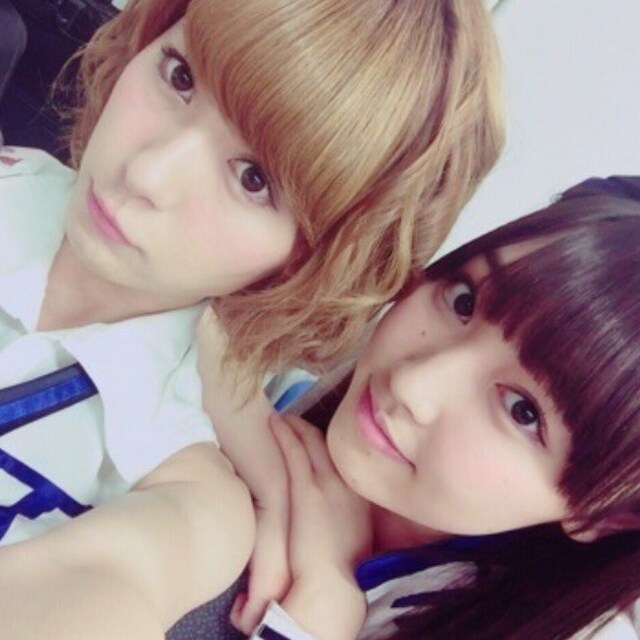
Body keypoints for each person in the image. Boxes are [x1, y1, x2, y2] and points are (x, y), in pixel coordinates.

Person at [0, 0, 503, 637]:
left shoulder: (187, 486)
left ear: (313, 256)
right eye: (180, 76)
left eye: (254, 179)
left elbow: (112, 582)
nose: (147, 172)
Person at [250, 177, 640, 640]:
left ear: (604, 516)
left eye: (523, 411)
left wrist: (322, 606)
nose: (411, 385)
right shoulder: (268, 392)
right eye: (463, 301)